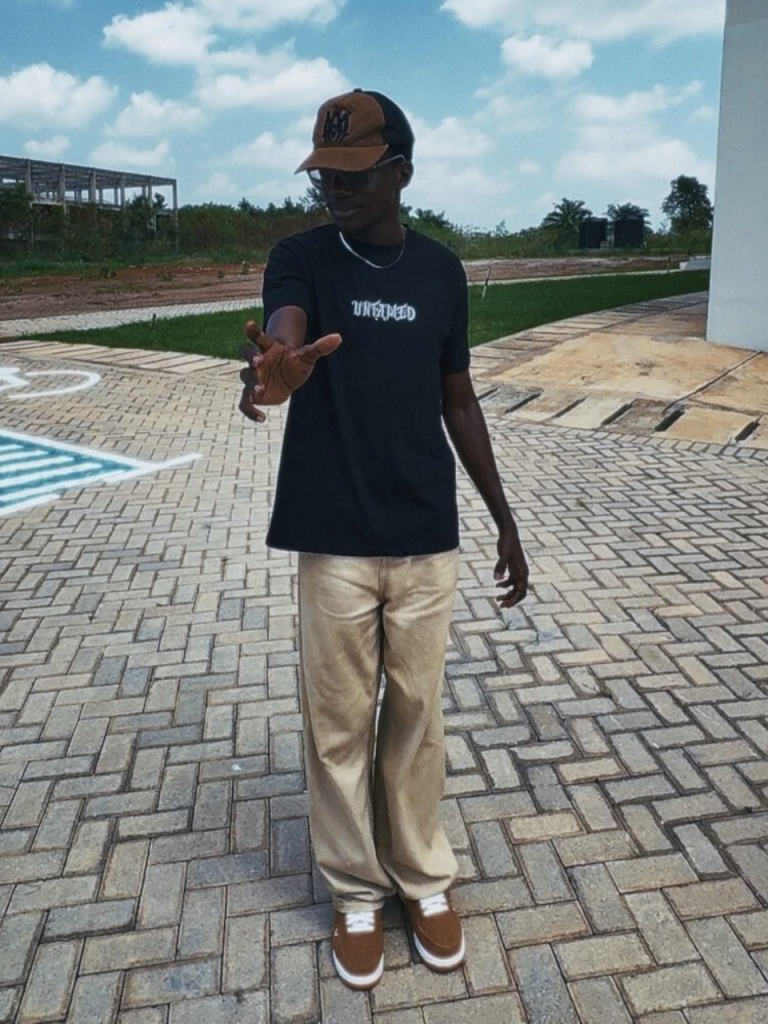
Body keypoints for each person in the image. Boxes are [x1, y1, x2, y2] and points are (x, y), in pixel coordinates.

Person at [238, 88, 528, 991]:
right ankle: (357, 890)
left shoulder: (441, 272)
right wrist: (273, 374)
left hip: (424, 538)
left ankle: (422, 878)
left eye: (355, 174)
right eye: (325, 174)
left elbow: (458, 398)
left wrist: (505, 516)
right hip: (333, 539)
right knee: (336, 728)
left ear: (401, 170)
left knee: (415, 718)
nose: (336, 190)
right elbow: (283, 333)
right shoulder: (300, 258)